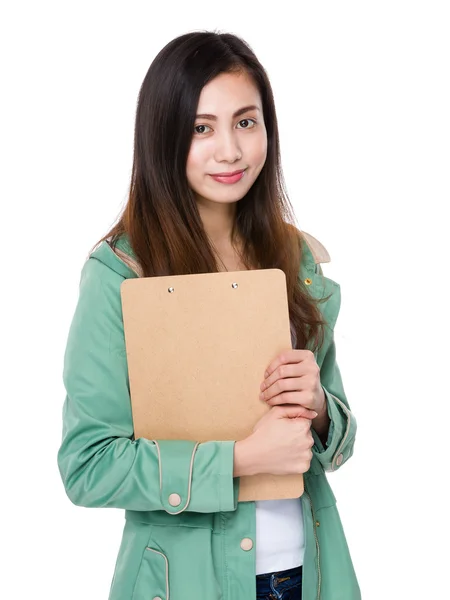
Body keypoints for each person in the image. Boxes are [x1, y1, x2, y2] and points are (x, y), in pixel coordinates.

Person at [57, 30, 360, 600]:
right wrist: (240, 460)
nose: (230, 150)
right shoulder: (120, 273)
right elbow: (87, 465)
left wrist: (319, 408)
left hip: (310, 573)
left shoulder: (293, 259)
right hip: (187, 582)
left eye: (246, 122)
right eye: (202, 128)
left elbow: (340, 440)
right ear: (163, 137)